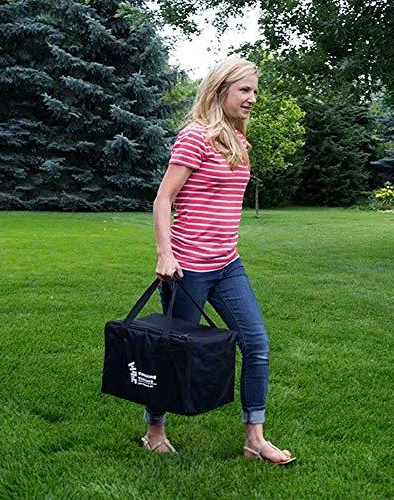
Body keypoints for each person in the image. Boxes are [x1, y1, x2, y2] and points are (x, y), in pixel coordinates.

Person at [141, 58, 295, 465]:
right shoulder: (195, 137)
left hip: (227, 264)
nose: (252, 98)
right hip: (187, 267)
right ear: (220, 89)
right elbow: (163, 199)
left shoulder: (239, 141)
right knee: (173, 350)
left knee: (256, 345)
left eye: (255, 91)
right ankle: (154, 430)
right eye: (244, 90)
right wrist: (165, 253)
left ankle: (255, 439)